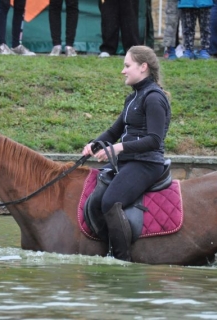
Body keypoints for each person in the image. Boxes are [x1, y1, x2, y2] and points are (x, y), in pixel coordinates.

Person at [82, 46, 171, 261]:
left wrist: (118, 148)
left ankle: (121, 260)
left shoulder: (154, 98)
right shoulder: (133, 98)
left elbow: (154, 140)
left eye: (127, 65)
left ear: (143, 67)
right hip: (130, 161)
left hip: (148, 163)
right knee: (96, 198)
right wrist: (94, 145)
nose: (123, 71)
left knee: (110, 202)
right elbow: (115, 131)